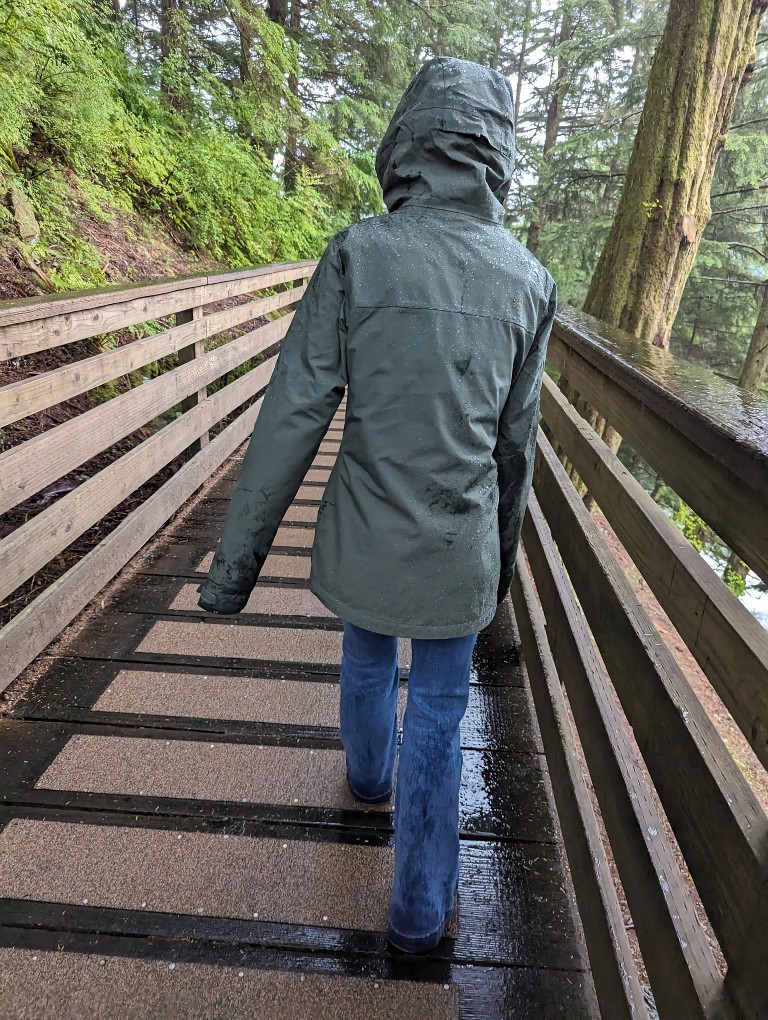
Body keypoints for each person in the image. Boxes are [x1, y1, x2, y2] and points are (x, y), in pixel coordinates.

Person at [198, 56, 556, 954]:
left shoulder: (359, 253)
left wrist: (234, 569)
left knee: (365, 653)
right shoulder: (528, 281)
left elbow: (292, 414)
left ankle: (365, 777)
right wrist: (499, 568)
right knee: (440, 708)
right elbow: (517, 448)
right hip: (457, 544)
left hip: (364, 525)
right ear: (496, 154)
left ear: (408, 141)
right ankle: (420, 914)